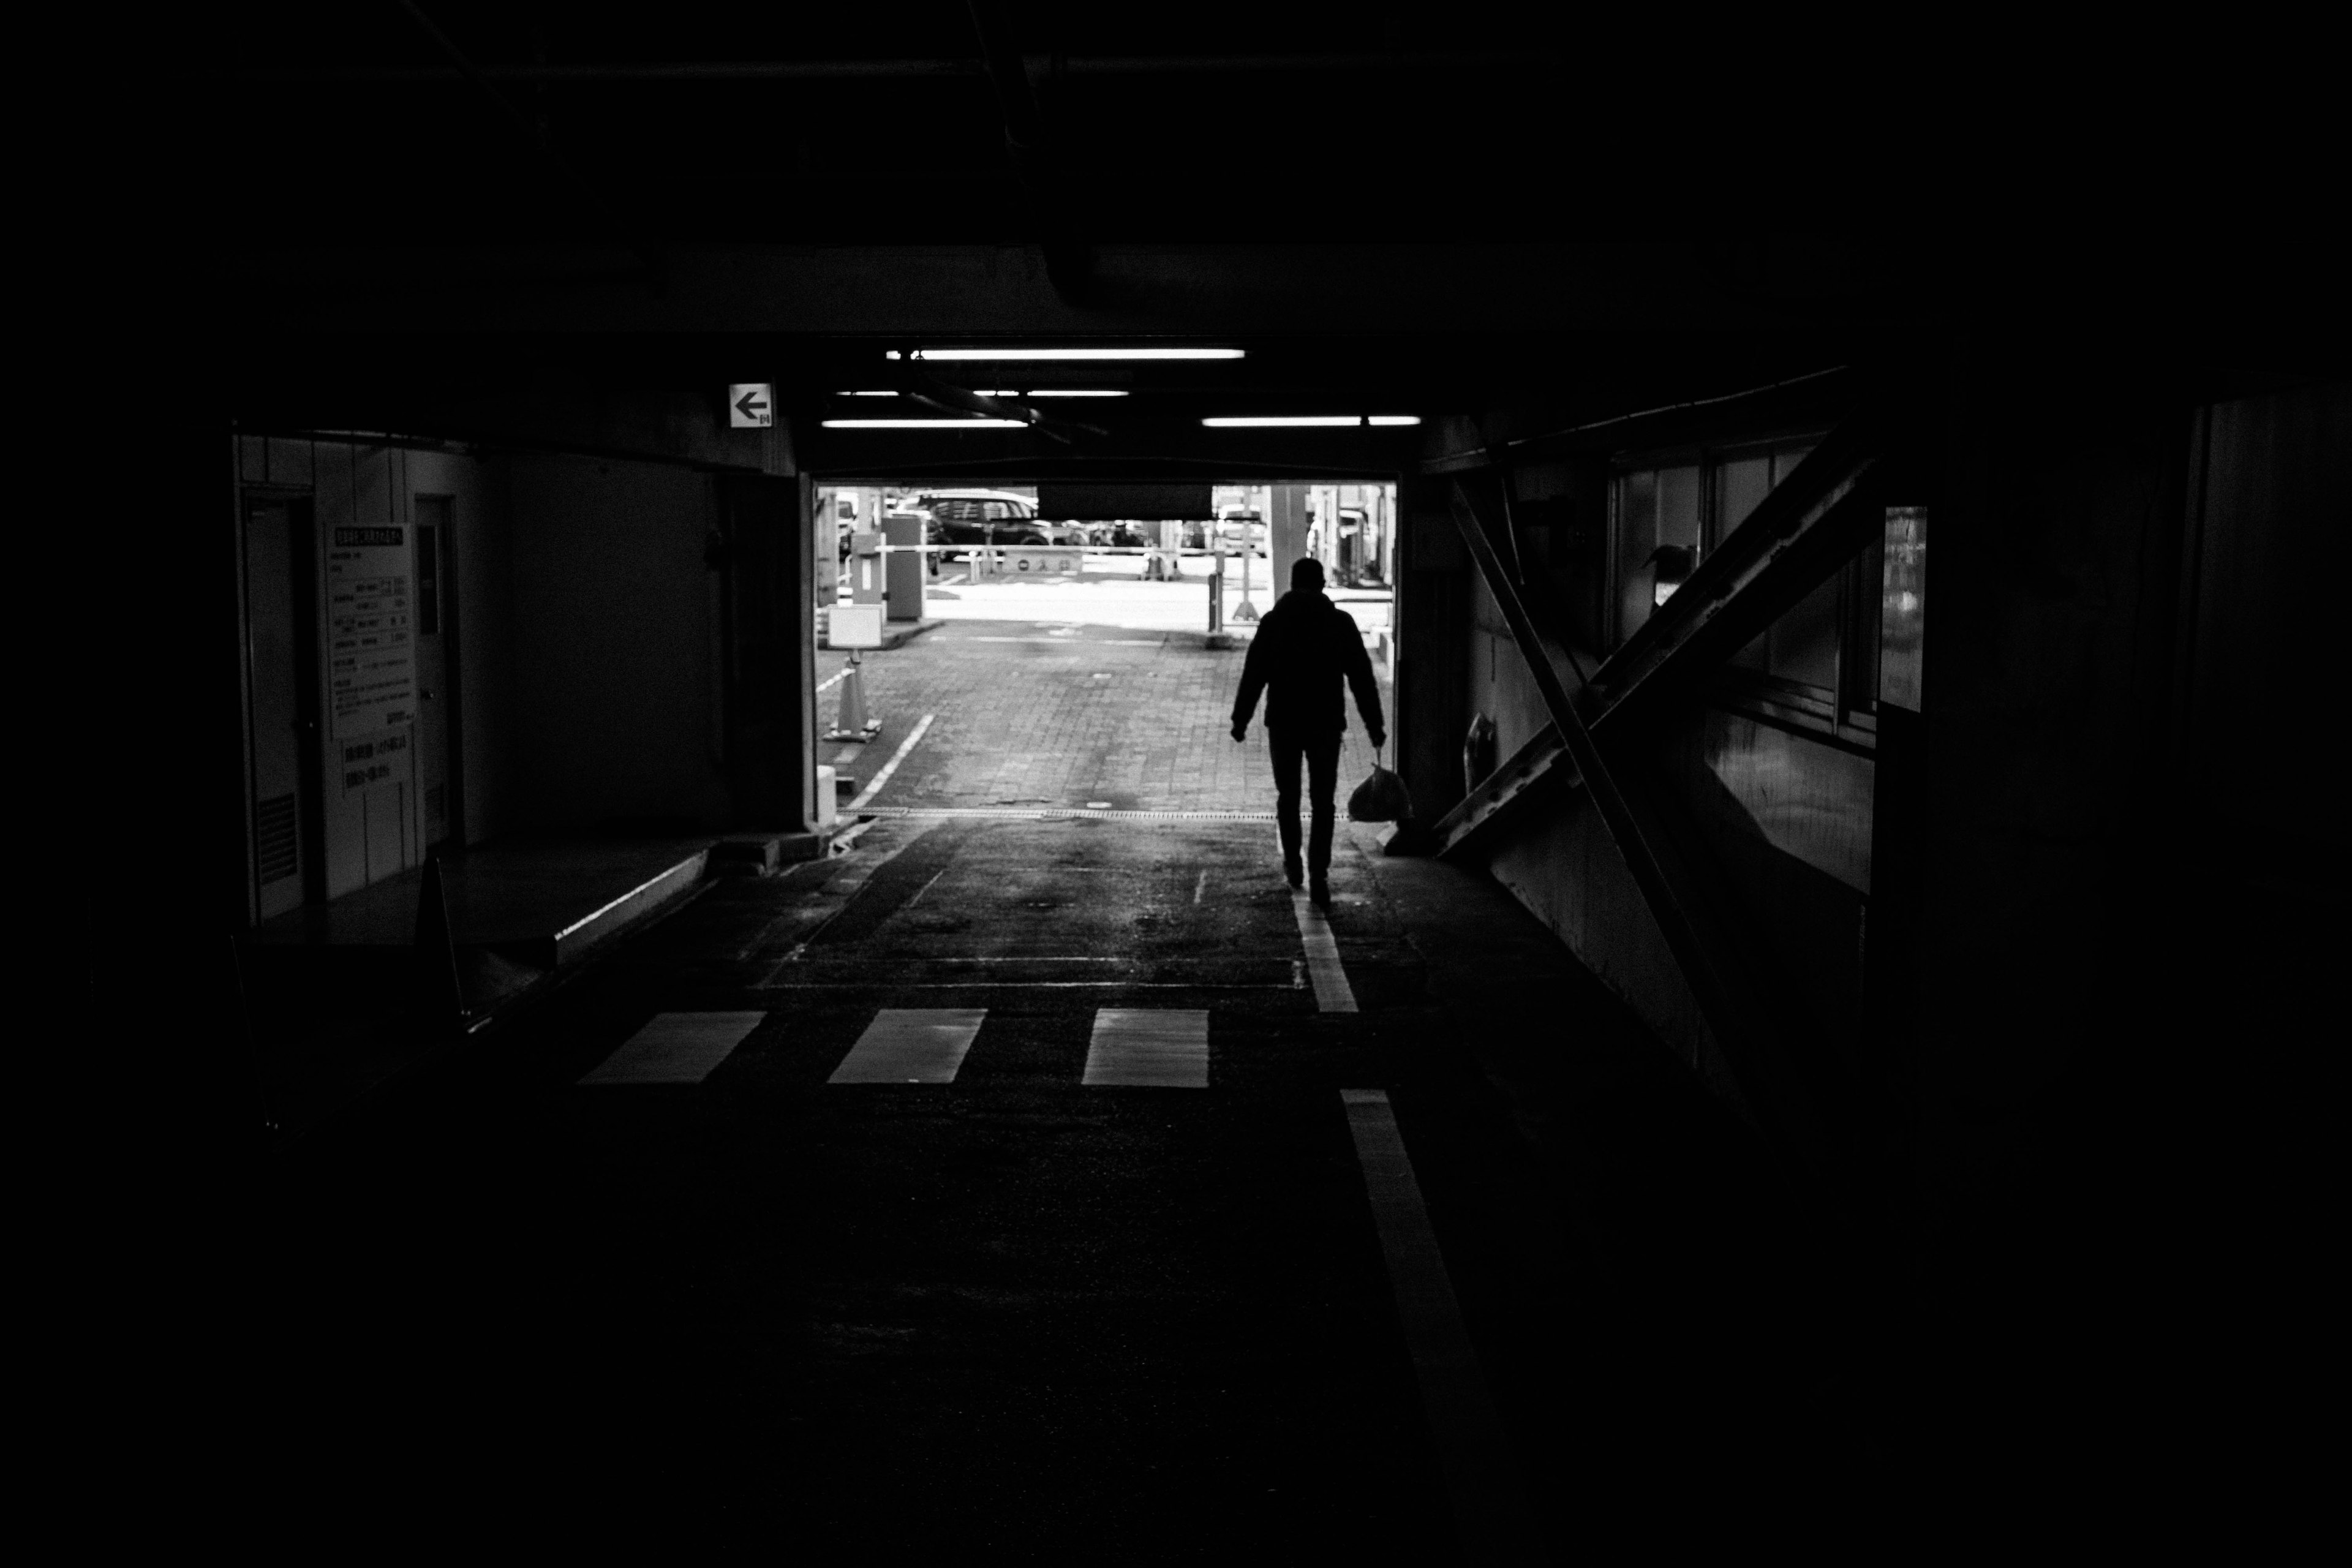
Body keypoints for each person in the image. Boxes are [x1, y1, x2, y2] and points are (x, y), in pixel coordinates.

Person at [1230, 557, 1385, 908]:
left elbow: (1254, 673)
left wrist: (1241, 720)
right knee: (1323, 802)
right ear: (1321, 584)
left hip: (1283, 722)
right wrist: (1374, 726)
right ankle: (1319, 875)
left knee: (1288, 797)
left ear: (1292, 581)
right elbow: (1362, 678)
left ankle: (1293, 863)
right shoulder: (1339, 623)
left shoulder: (1274, 622)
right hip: (1325, 724)